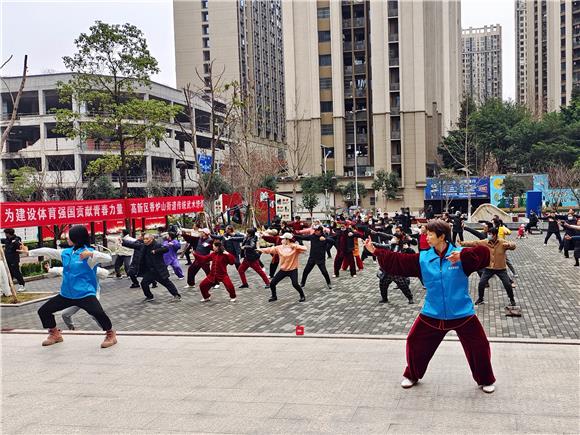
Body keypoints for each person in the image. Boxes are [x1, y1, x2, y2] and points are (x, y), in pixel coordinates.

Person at [364, 220, 496, 393]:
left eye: (430, 234)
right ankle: (412, 375)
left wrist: (462, 256)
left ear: (441, 236)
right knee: (414, 341)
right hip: (432, 313)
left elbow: (484, 254)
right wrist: (376, 252)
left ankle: (485, 379)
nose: (426, 237)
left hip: (462, 313)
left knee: (479, 346)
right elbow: (399, 261)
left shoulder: (460, 254)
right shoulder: (424, 258)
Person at [33, 225, 117, 348]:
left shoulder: (88, 253)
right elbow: (48, 251)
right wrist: (29, 252)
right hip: (66, 294)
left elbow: (108, 257)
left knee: (98, 313)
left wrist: (91, 254)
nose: (67, 238)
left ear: (77, 238)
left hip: (85, 294)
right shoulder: (66, 253)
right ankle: (55, 334)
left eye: (69, 236)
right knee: (44, 311)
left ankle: (110, 334)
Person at [39, 260, 109, 330]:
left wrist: (92, 268)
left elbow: (105, 273)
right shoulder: (70, 270)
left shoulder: (92, 268)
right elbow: (60, 270)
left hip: (90, 297)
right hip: (75, 297)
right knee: (65, 314)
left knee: (95, 315)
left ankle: (107, 331)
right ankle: (72, 329)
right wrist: (49, 269)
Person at [460, 227, 517, 307]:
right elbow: (475, 243)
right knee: (481, 283)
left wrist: (509, 245)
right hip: (489, 268)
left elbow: (514, 246)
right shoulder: (485, 242)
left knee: (507, 284)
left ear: (495, 235)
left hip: (501, 269)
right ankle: (480, 299)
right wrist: (463, 243)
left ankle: (512, 299)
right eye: (488, 234)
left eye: (490, 234)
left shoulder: (502, 242)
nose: (488, 235)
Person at [257, 233, 307, 302]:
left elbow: (305, 248)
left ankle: (302, 296)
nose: (282, 240)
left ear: (287, 240)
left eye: (283, 239)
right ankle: (274, 296)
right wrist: (260, 250)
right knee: (272, 283)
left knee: (295, 284)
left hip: (293, 269)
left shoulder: (294, 248)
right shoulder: (279, 247)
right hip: (283, 270)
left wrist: (294, 246)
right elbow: (270, 249)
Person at [133, 233, 182, 302]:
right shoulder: (144, 246)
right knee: (144, 283)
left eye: (147, 239)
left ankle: (176, 295)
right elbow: (133, 245)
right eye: (144, 239)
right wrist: (123, 242)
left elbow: (166, 249)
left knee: (167, 283)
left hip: (158, 270)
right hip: (150, 271)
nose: (145, 240)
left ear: (151, 239)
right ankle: (149, 296)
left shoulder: (157, 245)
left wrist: (156, 251)